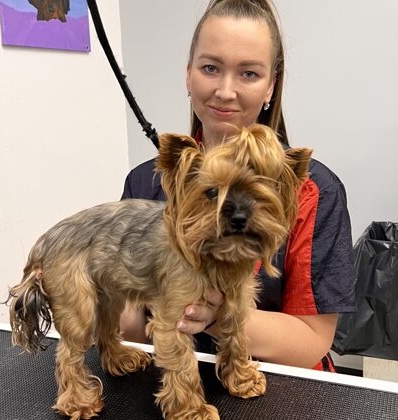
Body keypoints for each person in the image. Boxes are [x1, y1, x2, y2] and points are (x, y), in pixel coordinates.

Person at [120, 0, 355, 371]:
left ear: (270, 86)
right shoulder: (146, 182)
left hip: (282, 386)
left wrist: (217, 315)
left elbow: (311, 342)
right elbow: (133, 331)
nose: (225, 91)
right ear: (188, 75)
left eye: (248, 73)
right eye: (211, 68)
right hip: (176, 378)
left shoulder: (312, 189)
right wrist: (87, 289)